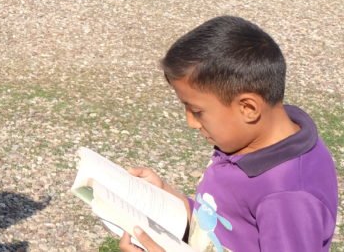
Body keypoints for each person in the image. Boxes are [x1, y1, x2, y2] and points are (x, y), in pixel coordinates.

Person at [118, 16, 338, 252]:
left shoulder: (288, 197)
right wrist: (173, 201)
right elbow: (227, 225)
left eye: (196, 111)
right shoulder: (252, 141)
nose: (190, 122)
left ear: (249, 108)